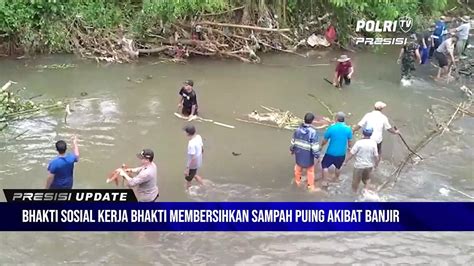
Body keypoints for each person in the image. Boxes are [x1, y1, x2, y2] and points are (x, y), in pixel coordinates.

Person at [290, 113, 321, 192]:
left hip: (299, 153)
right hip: (308, 155)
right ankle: (310, 187)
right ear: (312, 121)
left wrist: (292, 150)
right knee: (310, 171)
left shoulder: (297, 130)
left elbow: (293, 142)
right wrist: (317, 155)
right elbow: (314, 146)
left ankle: (298, 182)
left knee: (298, 168)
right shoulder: (313, 132)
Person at [320, 112, 352, 184]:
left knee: (325, 166)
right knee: (338, 167)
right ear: (344, 119)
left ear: (336, 119)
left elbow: (325, 140)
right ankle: (337, 178)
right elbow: (350, 141)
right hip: (341, 153)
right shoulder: (348, 129)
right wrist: (349, 148)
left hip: (330, 152)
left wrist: (321, 146)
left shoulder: (331, 128)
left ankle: (325, 181)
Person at [344, 127, 379, 193]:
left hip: (359, 166)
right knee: (367, 179)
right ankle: (366, 192)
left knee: (355, 183)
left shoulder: (359, 143)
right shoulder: (373, 143)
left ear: (363, 133)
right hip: (369, 165)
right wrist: (376, 165)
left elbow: (351, 154)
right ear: (371, 134)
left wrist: (345, 162)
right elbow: (376, 156)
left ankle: (353, 195)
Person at [183, 124, 204, 189]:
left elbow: (192, 157)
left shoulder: (191, 144)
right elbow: (202, 148)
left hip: (193, 163)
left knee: (188, 178)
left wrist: (187, 169)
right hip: (199, 160)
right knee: (194, 174)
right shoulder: (198, 137)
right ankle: (202, 184)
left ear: (188, 133)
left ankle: (188, 189)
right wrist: (201, 156)